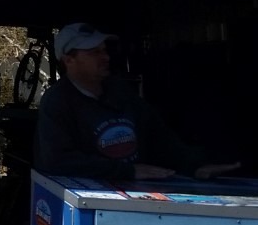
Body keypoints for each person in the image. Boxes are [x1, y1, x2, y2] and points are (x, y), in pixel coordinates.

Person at [36, 22, 240, 181]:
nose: (105, 57)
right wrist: (127, 171)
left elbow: (161, 139)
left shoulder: (121, 93)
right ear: (68, 60)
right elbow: (57, 161)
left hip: (137, 196)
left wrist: (195, 166)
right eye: (94, 52)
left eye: (104, 50)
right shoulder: (57, 101)